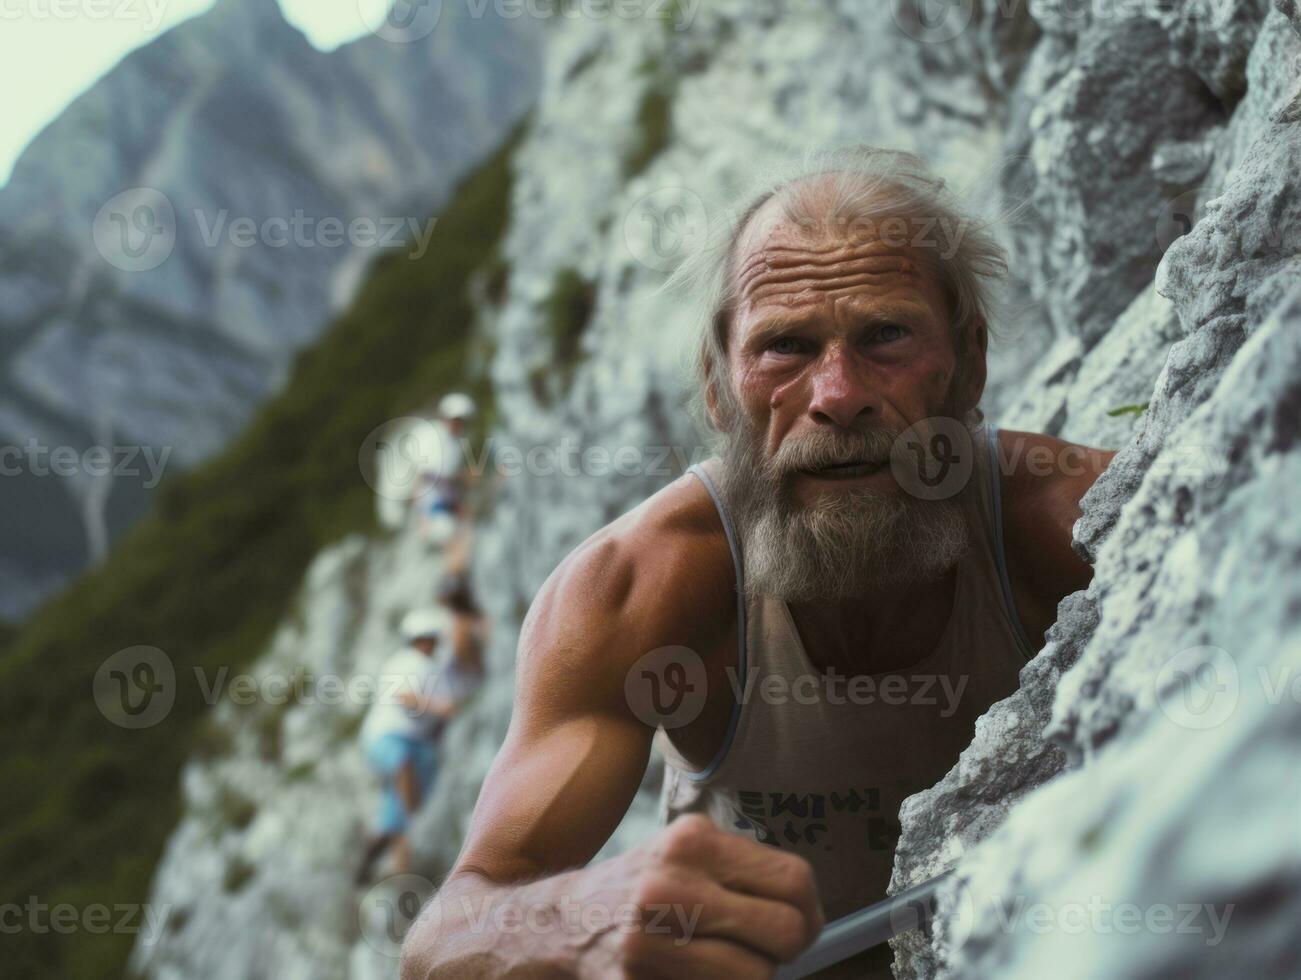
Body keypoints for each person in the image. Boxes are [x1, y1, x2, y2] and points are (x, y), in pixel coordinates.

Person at [401, 148, 1117, 978]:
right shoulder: (633, 588)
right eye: (785, 347)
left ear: (969, 361)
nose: (838, 393)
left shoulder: (1079, 526)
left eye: (886, 334)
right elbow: (444, 933)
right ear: (717, 387)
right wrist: (570, 924)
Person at [357, 607, 467, 885]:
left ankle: (393, 867)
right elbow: (406, 696)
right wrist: (440, 708)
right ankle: (409, 834)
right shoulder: (405, 662)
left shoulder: (434, 670)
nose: (427, 644)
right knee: (401, 763)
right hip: (388, 738)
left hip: (419, 746)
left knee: (395, 820)